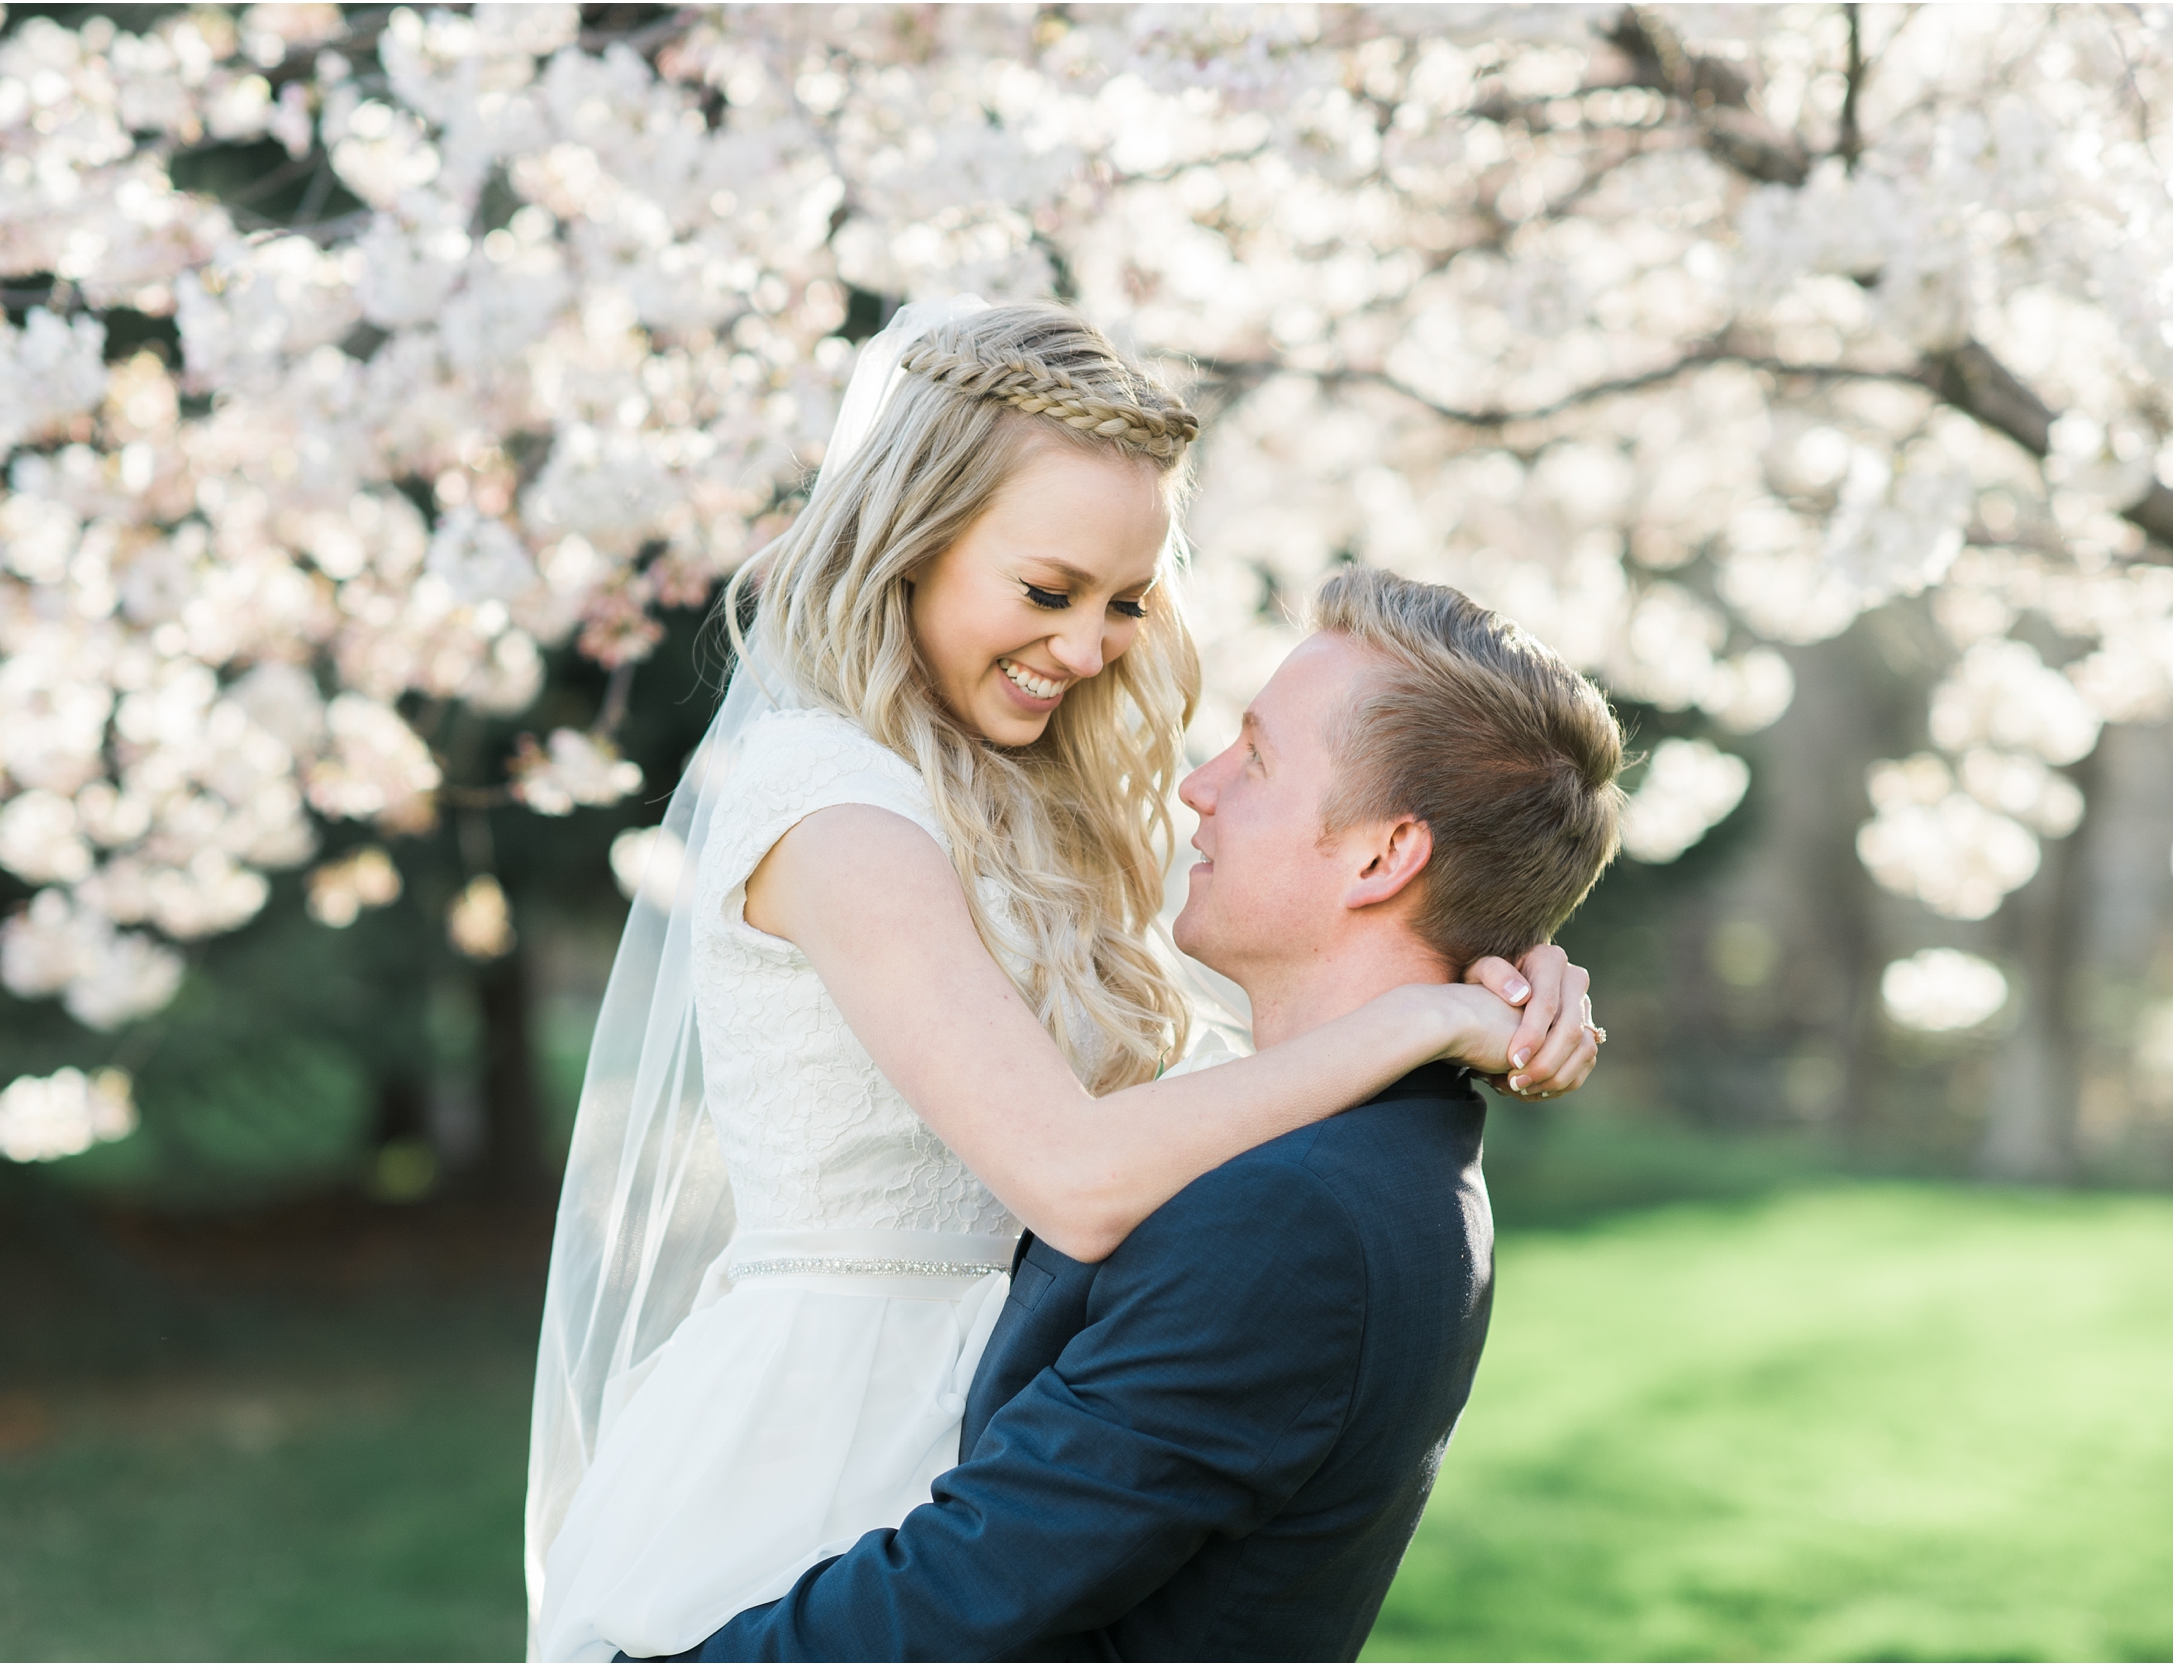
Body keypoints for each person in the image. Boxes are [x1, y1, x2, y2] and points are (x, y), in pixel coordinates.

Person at [525, 301, 1602, 1662]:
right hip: (816, 1430)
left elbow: (1323, 928)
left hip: (991, 1408)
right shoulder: (831, 808)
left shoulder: (1020, 802)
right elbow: (1079, 1174)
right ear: (912, 545)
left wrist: (1509, 953)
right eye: (1048, 592)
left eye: (1127, 601)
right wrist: (1433, 1013)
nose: (1093, 647)